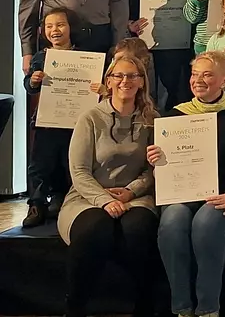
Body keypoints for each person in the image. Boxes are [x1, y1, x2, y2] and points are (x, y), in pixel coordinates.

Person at [151, 51, 225, 317]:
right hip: (184, 195)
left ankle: (208, 308)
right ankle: (182, 308)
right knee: (173, 219)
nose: (198, 80)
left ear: (224, 80)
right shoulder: (175, 115)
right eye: (195, 74)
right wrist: (156, 159)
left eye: (207, 74)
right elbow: (164, 169)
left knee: (206, 221)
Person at [59, 54, 158, 317]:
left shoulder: (151, 119)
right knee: (94, 228)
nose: (125, 80)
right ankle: (75, 307)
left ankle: (144, 306)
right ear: (109, 81)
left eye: (132, 76)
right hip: (88, 194)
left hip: (135, 195)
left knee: (138, 229)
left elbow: (154, 170)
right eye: (119, 76)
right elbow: (78, 171)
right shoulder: (90, 118)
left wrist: (131, 191)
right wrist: (104, 200)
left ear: (141, 82)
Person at [22, 7, 83, 227]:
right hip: (46, 122)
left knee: (67, 161)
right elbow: (29, 86)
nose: (54, 30)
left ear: (70, 28)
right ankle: (36, 204)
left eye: (59, 25)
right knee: (41, 163)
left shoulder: (85, 57)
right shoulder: (41, 56)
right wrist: (34, 81)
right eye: (48, 26)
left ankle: (61, 199)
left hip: (75, 123)